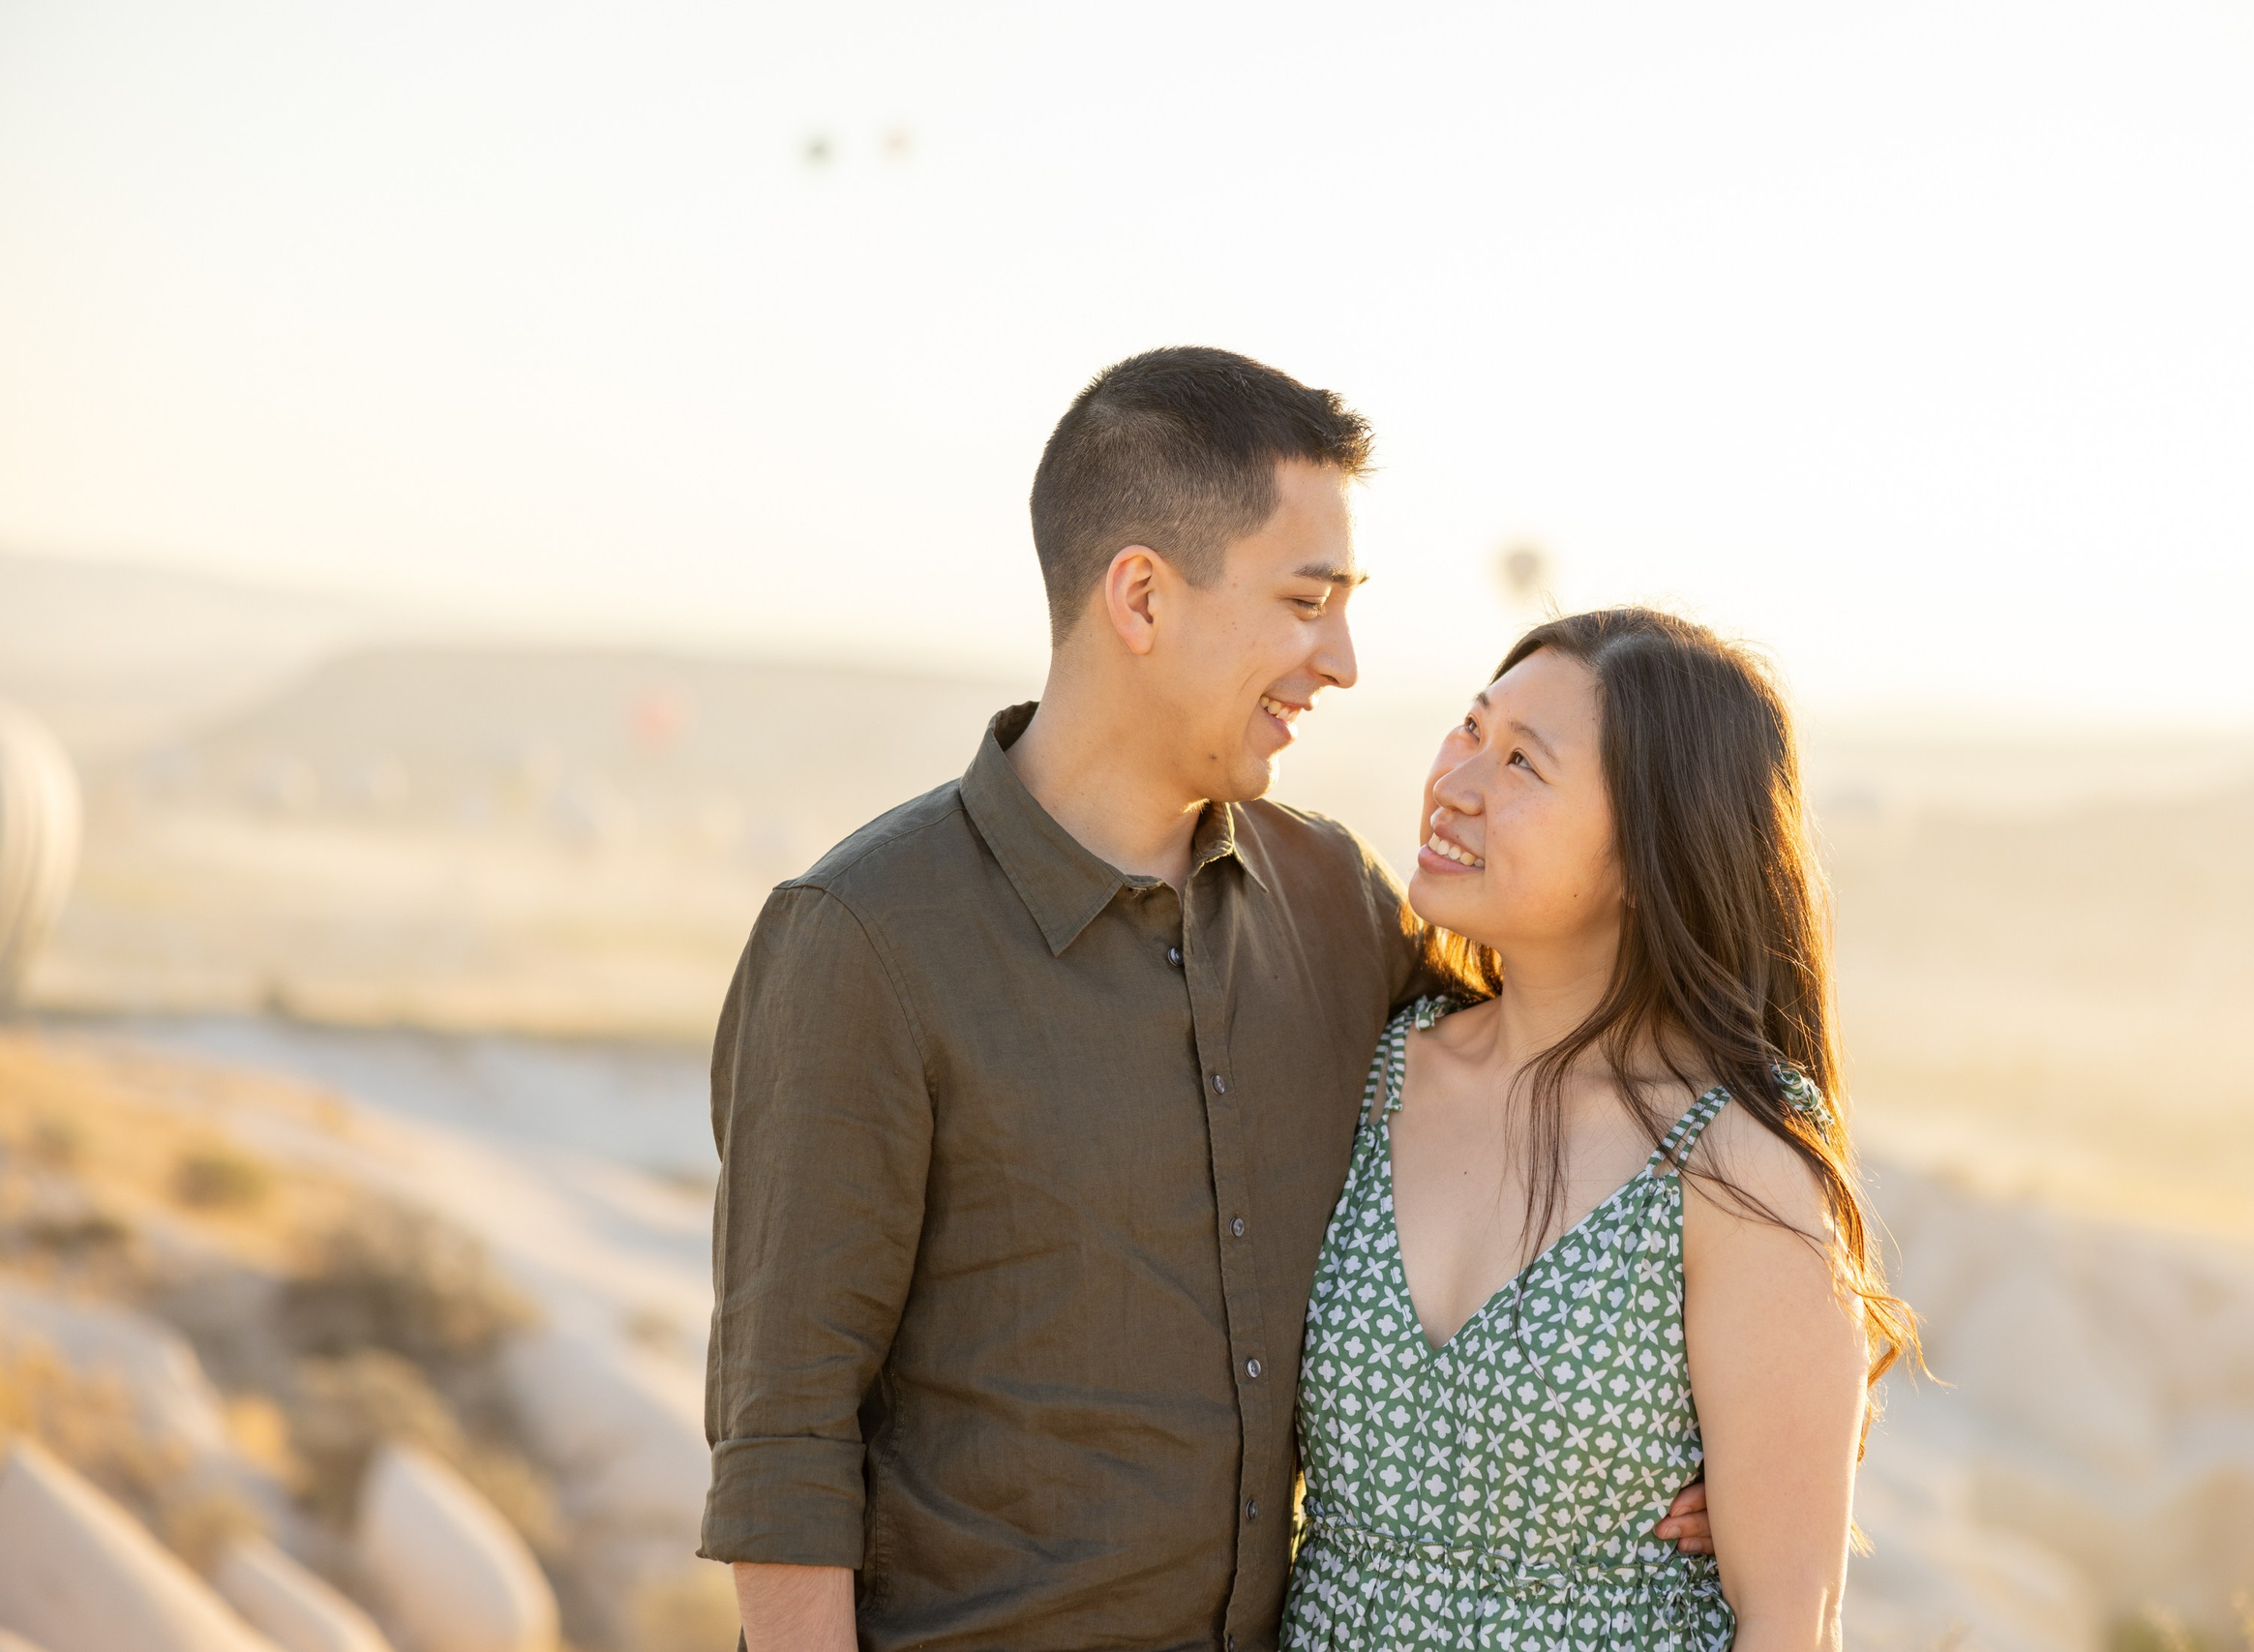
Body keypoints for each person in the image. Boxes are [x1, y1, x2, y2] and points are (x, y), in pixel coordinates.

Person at [700, 349, 1711, 1652]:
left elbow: (1582, 1072)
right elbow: (783, 1436)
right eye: (1305, 601)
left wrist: (1769, 1393)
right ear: (1141, 596)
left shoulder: (1336, 901)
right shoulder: (862, 939)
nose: (1341, 661)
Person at [1282, 609, 1918, 1652]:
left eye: (1522, 763)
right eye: (1471, 727)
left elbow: (1790, 1620)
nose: (1455, 782)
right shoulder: (1370, 1070)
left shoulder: (1731, 1156)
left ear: (1645, 853)